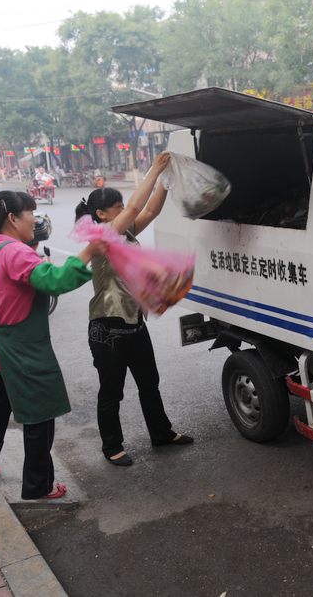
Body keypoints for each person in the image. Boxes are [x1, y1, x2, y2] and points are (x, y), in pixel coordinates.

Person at [0, 191, 107, 499]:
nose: (35, 219)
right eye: (31, 213)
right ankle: (38, 486)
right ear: (13, 219)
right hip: (20, 352)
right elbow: (54, 280)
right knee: (39, 415)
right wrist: (90, 251)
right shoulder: (15, 251)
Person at [74, 152, 193, 467]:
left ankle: (161, 433)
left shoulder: (124, 233)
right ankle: (112, 446)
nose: (123, 208)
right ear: (101, 214)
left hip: (133, 323)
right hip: (107, 328)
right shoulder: (100, 237)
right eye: (116, 206)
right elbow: (137, 207)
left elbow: (150, 208)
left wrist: (166, 180)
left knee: (149, 382)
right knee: (111, 391)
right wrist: (154, 168)